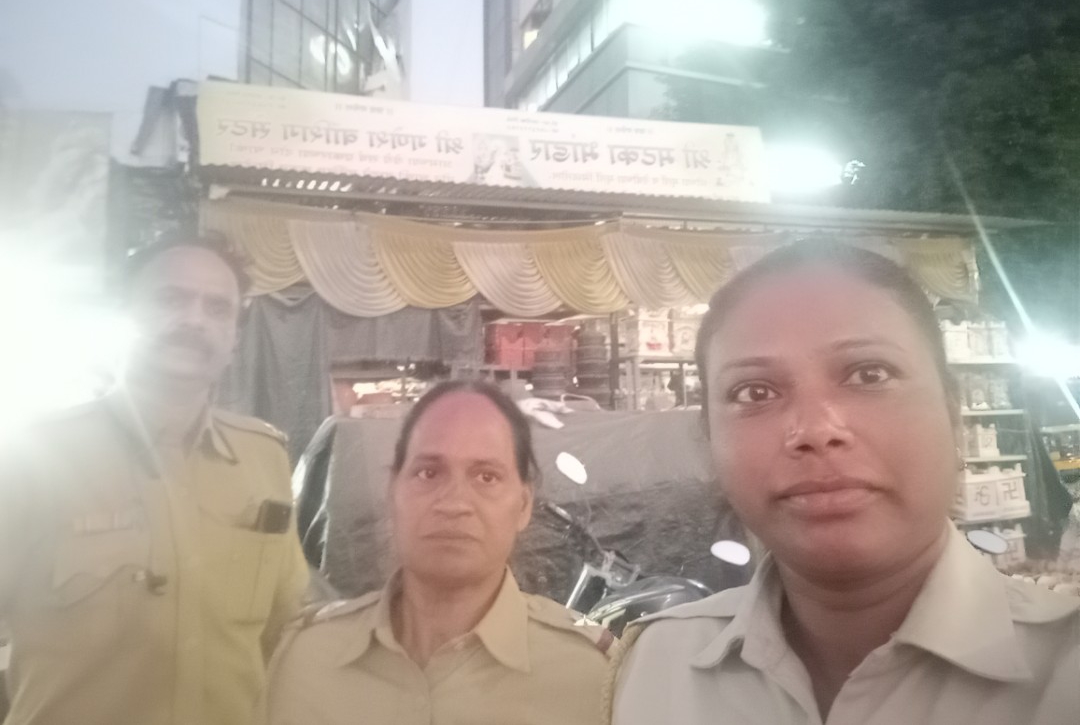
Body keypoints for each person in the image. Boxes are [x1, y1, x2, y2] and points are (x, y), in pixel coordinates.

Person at [612, 240, 1080, 725]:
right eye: (755, 392)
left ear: (953, 415)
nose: (816, 430)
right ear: (710, 439)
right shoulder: (656, 670)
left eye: (869, 374)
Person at [0, 233, 309, 725]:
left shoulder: (263, 458)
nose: (194, 320)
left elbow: (286, 625)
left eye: (218, 308)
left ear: (234, 338)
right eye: (170, 298)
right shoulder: (31, 456)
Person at [260, 380, 615, 725]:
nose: (454, 503)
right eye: (428, 473)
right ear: (392, 492)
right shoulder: (306, 661)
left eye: (486, 477)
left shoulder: (592, 677)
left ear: (523, 505)